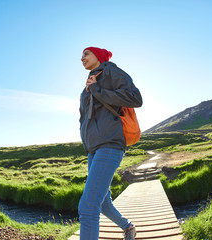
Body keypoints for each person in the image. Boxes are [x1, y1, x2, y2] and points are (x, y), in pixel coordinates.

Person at [78, 47, 143, 240]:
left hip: (110, 145)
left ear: (98, 56)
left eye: (86, 54)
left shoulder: (111, 72)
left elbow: (135, 98)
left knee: (88, 206)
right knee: (103, 202)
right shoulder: (88, 84)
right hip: (94, 149)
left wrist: (98, 89)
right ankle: (128, 227)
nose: (81, 58)